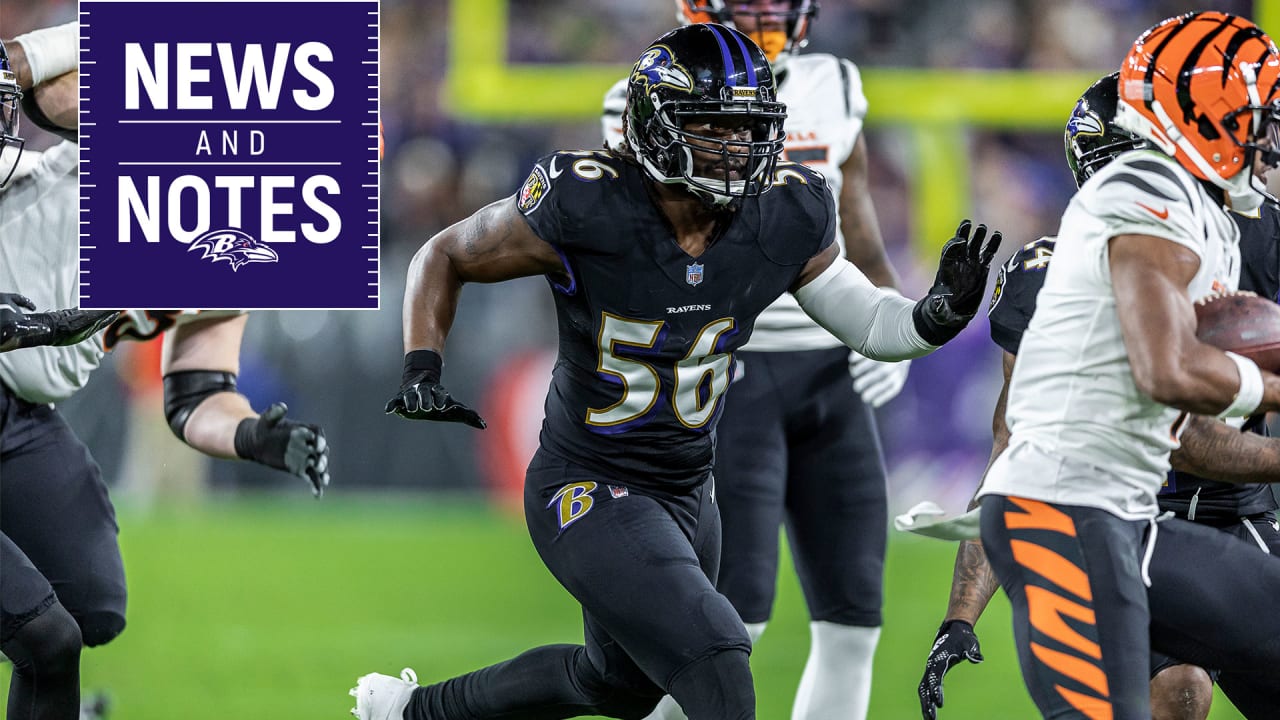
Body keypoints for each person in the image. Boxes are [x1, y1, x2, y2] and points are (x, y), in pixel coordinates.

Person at [353, 23, 999, 720]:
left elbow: (871, 323)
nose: (737, 147)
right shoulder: (587, 199)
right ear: (654, 128)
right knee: (718, 655)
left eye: (749, 127)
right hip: (588, 479)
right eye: (713, 126)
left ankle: (411, 711)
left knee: (618, 684)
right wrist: (423, 361)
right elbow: (444, 255)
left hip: (690, 487)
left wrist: (937, 312)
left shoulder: (784, 210)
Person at [919, 71, 1280, 720]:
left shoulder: (1251, 233)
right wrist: (960, 612)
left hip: (1228, 511)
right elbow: (1017, 447)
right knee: (1173, 695)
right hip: (1123, 516)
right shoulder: (1053, 274)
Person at [0, 25, 330, 720]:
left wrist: (251, 439)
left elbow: (197, 394)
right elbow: (41, 84)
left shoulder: (241, 252)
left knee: (92, 604)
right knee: (44, 635)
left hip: (23, 412)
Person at [602, 5, 903, 717]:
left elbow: (856, 221)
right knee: (734, 617)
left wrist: (891, 316)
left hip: (830, 366)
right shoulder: (653, 89)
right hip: (734, 366)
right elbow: (643, 237)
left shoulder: (834, 81)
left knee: (853, 620)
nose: (766, 13)